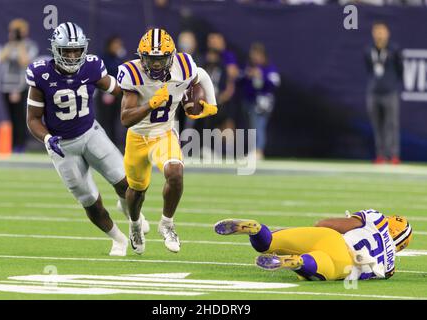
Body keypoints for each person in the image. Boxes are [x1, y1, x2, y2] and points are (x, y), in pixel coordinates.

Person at [26, 22, 149, 257]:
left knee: (126, 183)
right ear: (55, 50)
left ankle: (134, 216)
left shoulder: (92, 66)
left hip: (91, 133)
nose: (72, 56)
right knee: (91, 201)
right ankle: (118, 239)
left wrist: (144, 99)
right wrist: (47, 138)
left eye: (76, 50)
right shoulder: (41, 74)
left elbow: (119, 89)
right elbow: (32, 119)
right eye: (66, 51)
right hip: (62, 146)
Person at [117, 28, 218, 254]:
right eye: (150, 60)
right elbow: (125, 119)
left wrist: (212, 103)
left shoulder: (183, 66)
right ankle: (134, 224)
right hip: (138, 137)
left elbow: (201, 74)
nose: (155, 65)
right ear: (141, 57)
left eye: (160, 59)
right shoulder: (132, 73)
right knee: (136, 190)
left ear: (170, 57)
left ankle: (167, 223)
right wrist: (150, 104)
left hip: (164, 133)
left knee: (175, 173)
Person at [215, 209, 412, 281]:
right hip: (345, 262)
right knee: (319, 263)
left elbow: (324, 224)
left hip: (331, 239)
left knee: (271, 242)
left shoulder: (377, 219)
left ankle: (256, 230)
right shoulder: (389, 269)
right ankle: (298, 262)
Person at [365, 22, 404, 165]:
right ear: (373, 33)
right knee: (377, 125)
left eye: (382, 31)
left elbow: (400, 70)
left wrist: (392, 84)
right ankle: (380, 155)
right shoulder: (368, 50)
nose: (380, 34)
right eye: (377, 31)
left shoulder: (394, 50)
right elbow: (369, 69)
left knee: (392, 125)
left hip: (390, 92)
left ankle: (393, 155)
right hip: (374, 92)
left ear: (387, 33)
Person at [0, 18, 38, 153]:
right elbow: (1, 58)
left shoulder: (29, 45)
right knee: (10, 117)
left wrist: (20, 44)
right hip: (6, 86)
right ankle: (10, 144)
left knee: (20, 117)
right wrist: (12, 43)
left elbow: (24, 62)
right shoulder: (8, 45)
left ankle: (21, 145)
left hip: (20, 86)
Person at [241, 42, 280, 160]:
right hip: (249, 101)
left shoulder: (269, 68)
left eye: (257, 55)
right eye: (253, 54)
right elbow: (240, 80)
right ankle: (254, 150)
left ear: (263, 55)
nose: (254, 57)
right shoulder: (248, 67)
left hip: (263, 103)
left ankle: (259, 150)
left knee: (259, 125)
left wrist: (261, 75)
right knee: (252, 127)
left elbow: (275, 83)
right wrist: (246, 75)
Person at [96, 36, 126, 149]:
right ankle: (102, 145)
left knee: (115, 121)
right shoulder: (103, 58)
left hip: (117, 94)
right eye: (115, 44)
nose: (118, 47)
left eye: (119, 44)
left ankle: (113, 146)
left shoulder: (119, 58)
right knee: (104, 121)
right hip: (105, 93)